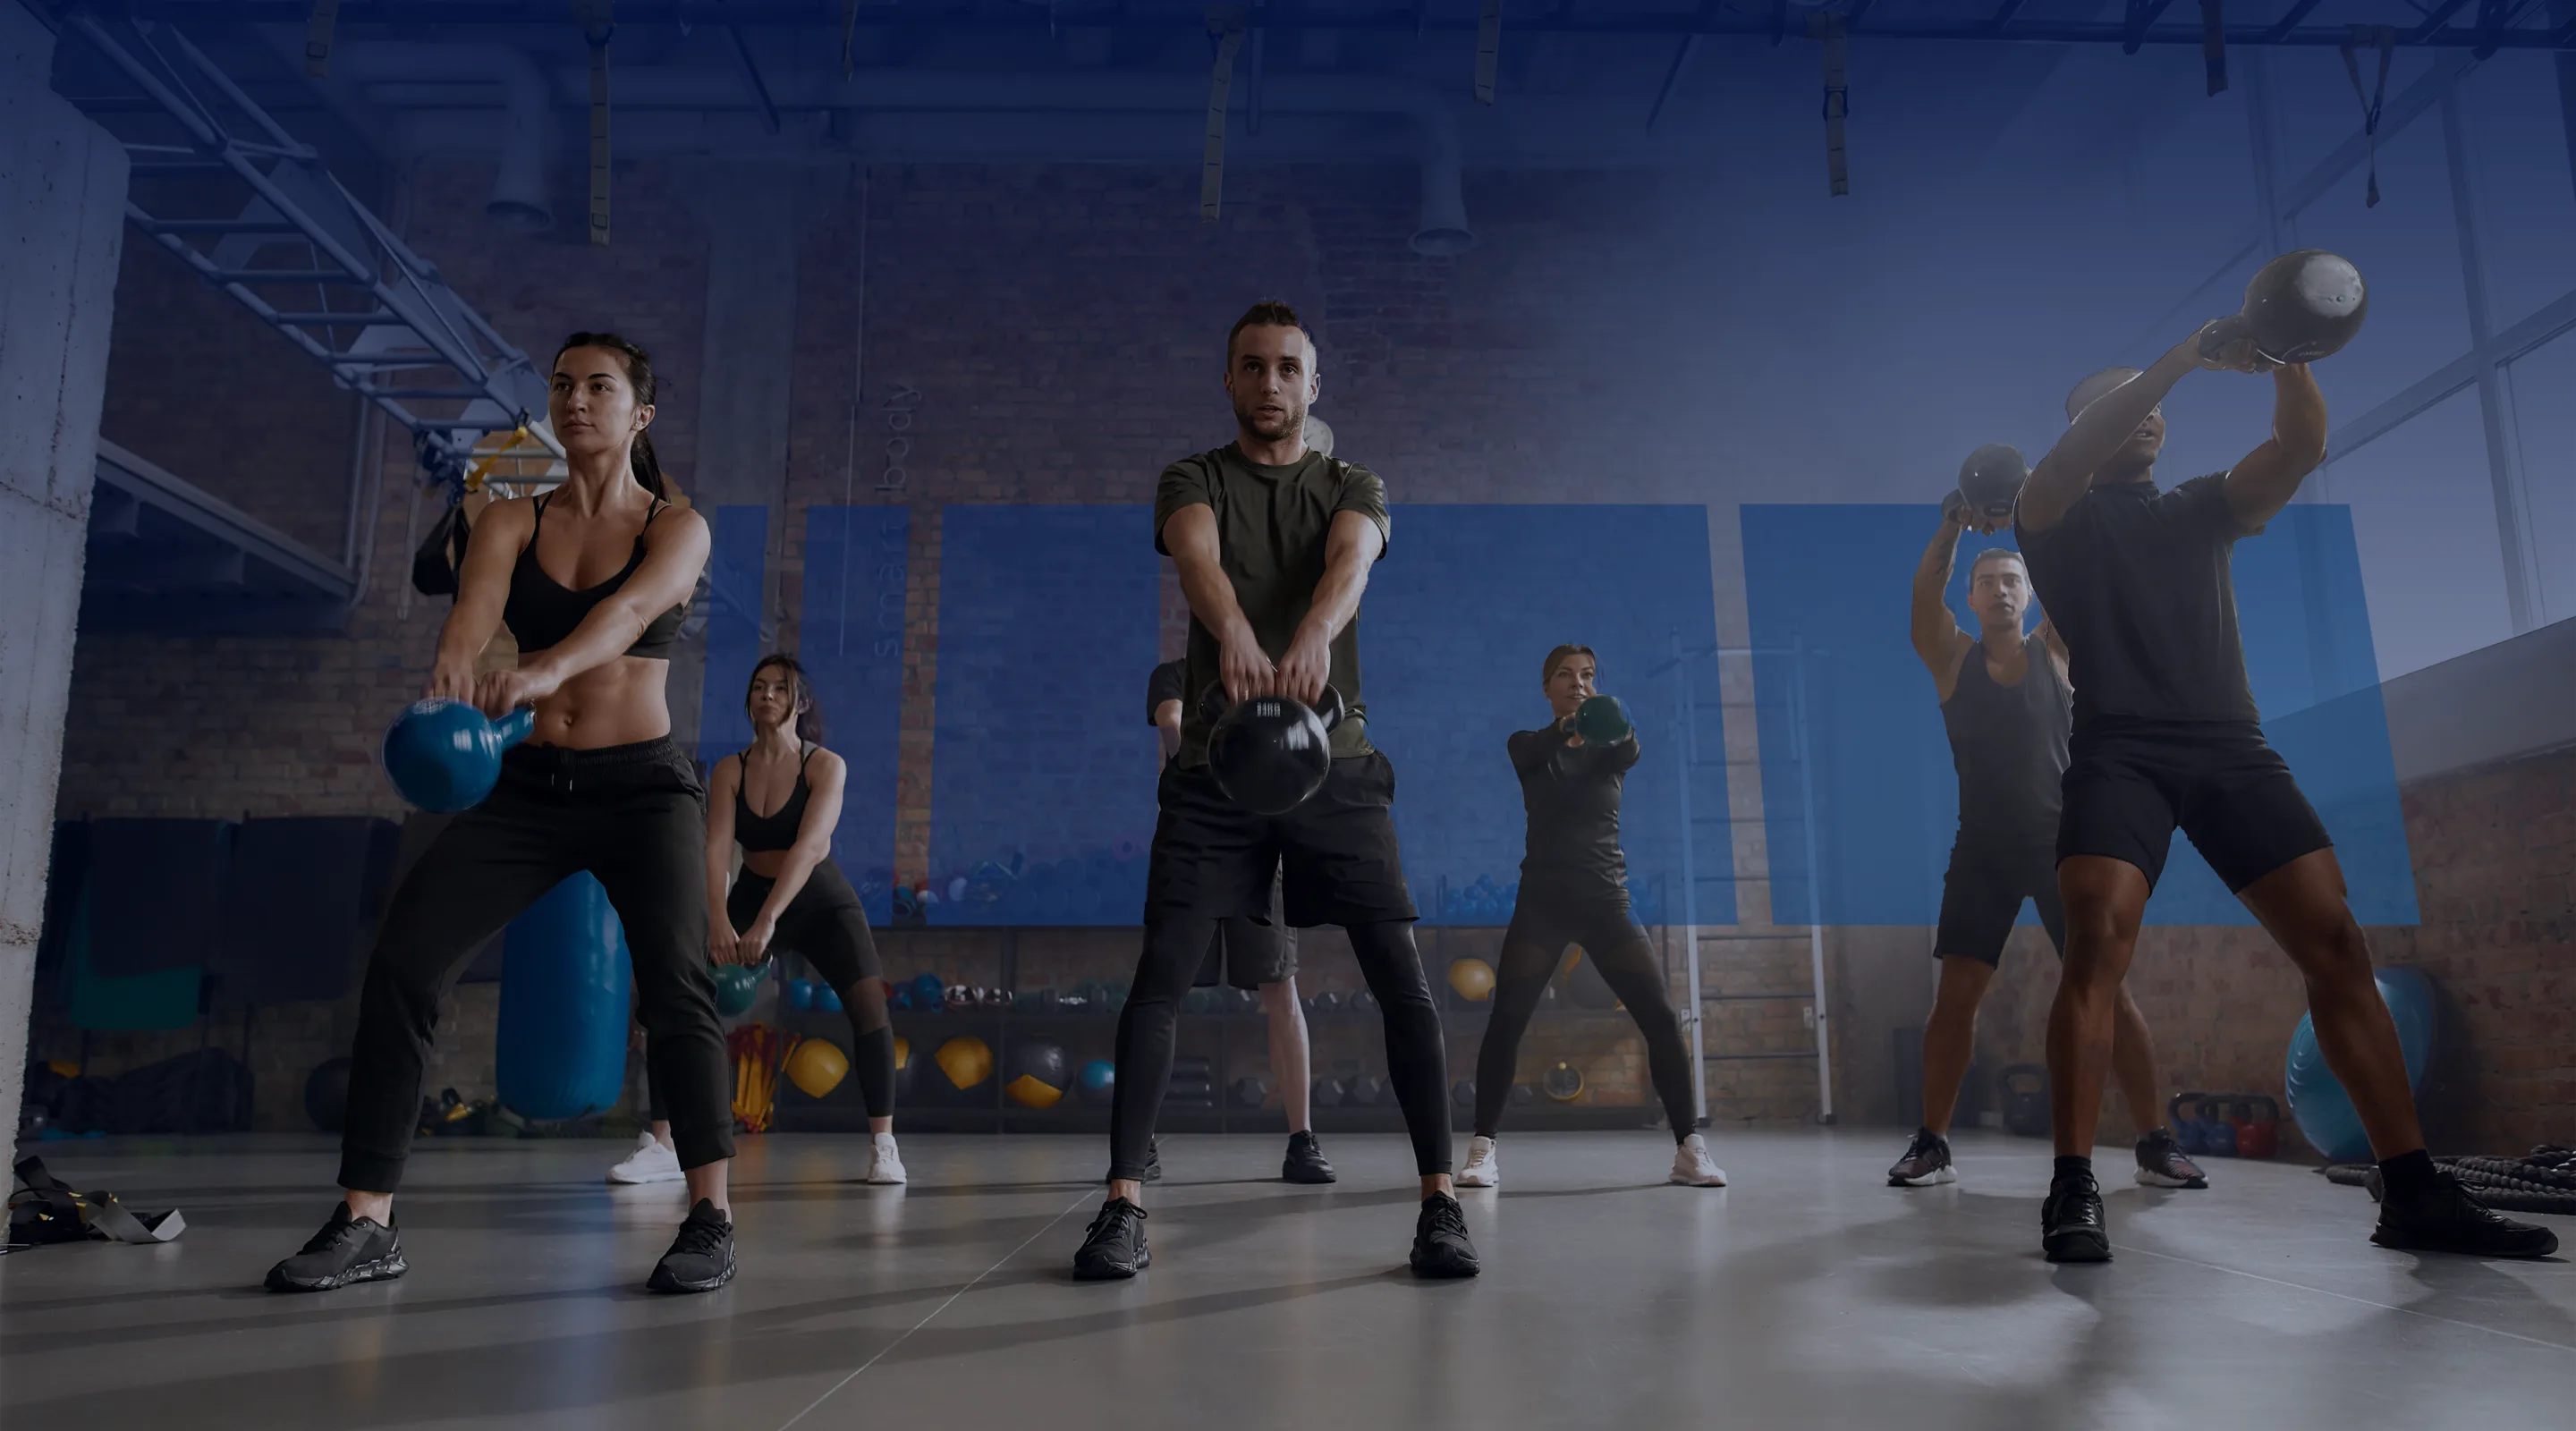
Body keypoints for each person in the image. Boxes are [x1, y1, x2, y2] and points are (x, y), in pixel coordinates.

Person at [2012, 329, 2555, 1262]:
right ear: (2086, 426)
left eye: (2154, 406)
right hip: (2121, 754)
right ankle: (2072, 1186)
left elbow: (2299, 447)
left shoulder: (2199, 508)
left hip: (2232, 748)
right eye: (2124, 400)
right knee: (2096, 940)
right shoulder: (2052, 516)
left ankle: (2414, 1191)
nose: (2146, 413)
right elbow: (2066, 463)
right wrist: (2174, 361)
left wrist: (2287, 351)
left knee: (2335, 941)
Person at [267, 333, 741, 1294]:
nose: (576, 400)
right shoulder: (510, 520)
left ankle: (710, 1216)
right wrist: (454, 676)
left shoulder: (678, 527)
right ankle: (368, 1220)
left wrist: (542, 669)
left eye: (599, 387)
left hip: (642, 786)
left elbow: (622, 618)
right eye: (562, 385)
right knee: (404, 961)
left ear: (639, 414)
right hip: (525, 785)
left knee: (678, 990)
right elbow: (472, 615)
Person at [1072, 300, 1475, 1280]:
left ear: (1312, 385)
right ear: (1230, 380)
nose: (1270, 384)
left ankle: (1439, 1204)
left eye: (1288, 368)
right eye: (1252, 367)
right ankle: (1123, 1204)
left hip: (1335, 766)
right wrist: (1239, 634)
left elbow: (1351, 563)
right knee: (1161, 976)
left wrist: (1308, 636)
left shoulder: (1351, 484)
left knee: (1400, 978)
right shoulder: (1194, 476)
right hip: (1217, 772)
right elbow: (1199, 559)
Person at [1885, 500, 2205, 1191]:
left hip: (2069, 844)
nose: (2000, 590)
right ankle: (1933, 1143)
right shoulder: (1951, 658)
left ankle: (2155, 1142)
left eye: (2013, 581)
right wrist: (1953, 525)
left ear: (2029, 596)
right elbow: (1921, 594)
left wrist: (2044, 508)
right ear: (1971, 598)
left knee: (2109, 994)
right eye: (1988, 582)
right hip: (1983, 849)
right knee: (1956, 997)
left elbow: (2086, 578)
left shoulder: (2056, 648)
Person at [608, 654, 906, 1188]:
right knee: (670, 992)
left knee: (869, 1007)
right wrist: (719, 918)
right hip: (750, 892)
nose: (766, 695)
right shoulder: (730, 769)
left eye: (778, 688)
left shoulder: (826, 766)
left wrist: (767, 921)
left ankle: (884, 1145)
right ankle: (661, 1143)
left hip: (817, 898)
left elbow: (810, 846)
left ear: (801, 702)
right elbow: (717, 847)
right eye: (758, 688)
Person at [1455, 645, 1724, 1190]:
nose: (1578, 683)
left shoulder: (1609, 751)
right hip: (1543, 904)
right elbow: (1531, 751)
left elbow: (1629, 747)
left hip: (1605, 900)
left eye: (1587, 676)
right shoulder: (1528, 747)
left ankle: (1689, 1150)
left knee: (1661, 1020)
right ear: (1547, 686)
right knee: (1506, 1021)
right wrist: (1572, 725)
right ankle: (1482, 1151)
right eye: (1565, 675)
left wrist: (1605, 722)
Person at [1148, 660, 1334, 1184]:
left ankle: (1303, 1140)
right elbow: (1173, 727)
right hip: (1196, 849)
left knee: (1281, 991)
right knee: (1162, 991)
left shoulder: (1277, 679)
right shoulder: (1178, 674)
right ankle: (1139, 1143)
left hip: (1262, 850)